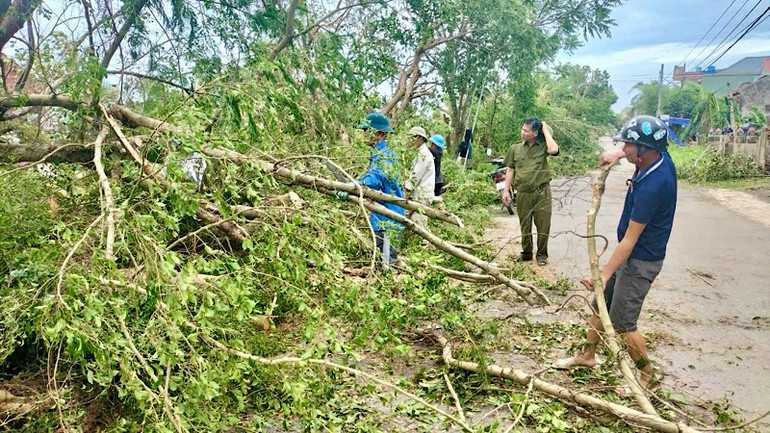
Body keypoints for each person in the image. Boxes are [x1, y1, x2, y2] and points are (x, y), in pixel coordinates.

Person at [552, 115, 677, 394]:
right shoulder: (657, 156)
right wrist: (620, 154)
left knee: (622, 323)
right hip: (631, 254)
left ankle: (648, 376)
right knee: (601, 302)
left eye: (629, 145)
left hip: (640, 261)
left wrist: (605, 273)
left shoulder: (654, 186)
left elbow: (630, 240)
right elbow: (641, 143)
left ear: (644, 151)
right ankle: (587, 355)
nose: (625, 148)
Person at [502, 118, 559, 265]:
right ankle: (526, 253)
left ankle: (542, 255)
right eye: (522, 129)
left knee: (543, 224)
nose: (522, 133)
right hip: (523, 193)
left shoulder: (544, 146)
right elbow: (510, 169)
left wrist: (545, 130)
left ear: (535, 133)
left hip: (542, 192)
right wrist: (506, 191)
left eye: (526, 131)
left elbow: (554, 150)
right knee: (525, 224)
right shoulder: (515, 148)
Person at [356, 112, 405, 267]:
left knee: (387, 265)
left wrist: (355, 185)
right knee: (380, 262)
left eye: (366, 131)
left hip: (388, 217)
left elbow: (376, 178)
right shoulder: (377, 153)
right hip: (381, 215)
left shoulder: (384, 155)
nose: (364, 135)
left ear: (379, 134)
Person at [404, 126, 435, 228]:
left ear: (421, 139)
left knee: (419, 224)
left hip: (422, 195)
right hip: (418, 194)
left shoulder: (424, 154)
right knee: (415, 222)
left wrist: (408, 186)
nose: (412, 140)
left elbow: (417, 174)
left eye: (414, 137)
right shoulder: (420, 153)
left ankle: (424, 243)